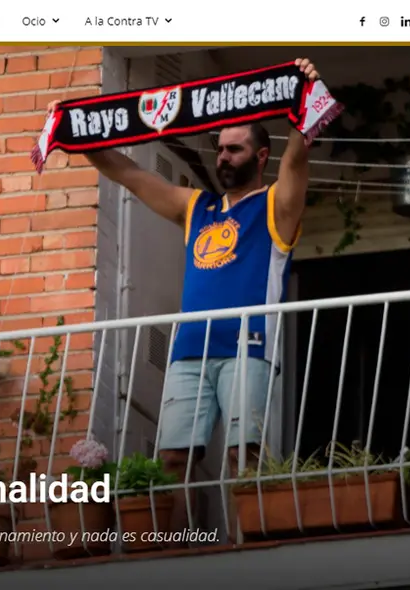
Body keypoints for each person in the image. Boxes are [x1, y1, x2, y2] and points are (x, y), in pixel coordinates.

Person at [46, 58, 318, 535]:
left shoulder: (277, 206)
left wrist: (306, 100)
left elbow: (297, 161)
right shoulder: (197, 207)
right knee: (173, 457)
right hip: (189, 349)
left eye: (235, 149)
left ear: (260, 157)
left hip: (246, 346)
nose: (223, 158)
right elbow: (129, 175)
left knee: (243, 454)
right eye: (220, 149)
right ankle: (180, 547)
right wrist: (76, 132)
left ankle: (248, 546)